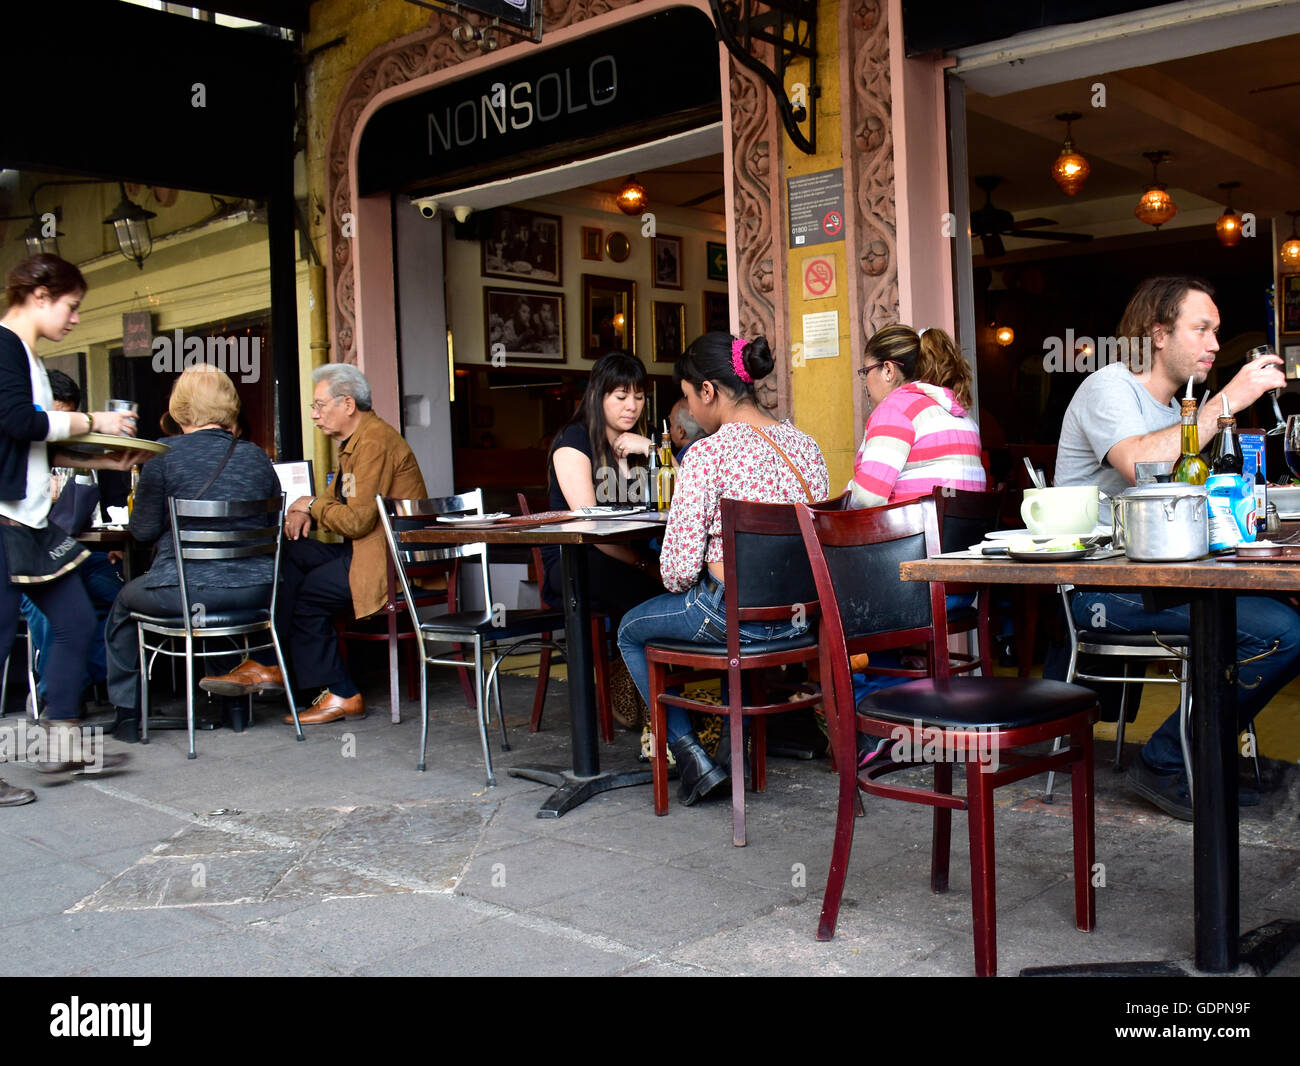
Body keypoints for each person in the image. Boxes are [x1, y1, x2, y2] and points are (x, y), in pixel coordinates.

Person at [1055, 275, 1300, 819]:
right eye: (1203, 329)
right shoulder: (1108, 386)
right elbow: (1143, 464)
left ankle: (1196, 755)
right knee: (1282, 633)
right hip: (1103, 589)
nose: (1216, 344)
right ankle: (1168, 760)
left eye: (1216, 331)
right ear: (1158, 333)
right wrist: (1230, 399)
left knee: (1280, 618)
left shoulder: (1178, 409)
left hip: (1164, 579)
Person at [617, 333, 829, 805]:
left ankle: (690, 755)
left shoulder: (707, 455)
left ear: (707, 391)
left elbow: (675, 572)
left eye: (690, 397)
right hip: (803, 625)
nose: (691, 408)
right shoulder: (807, 447)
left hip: (730, 621)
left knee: (631, 629)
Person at [199, 363, 427, 724]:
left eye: (320, 405)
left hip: (387, 561)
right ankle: (271, 665)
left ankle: (342, 693)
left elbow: (356, 521)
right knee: (289, 552)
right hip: (367, 550)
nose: (314, 415)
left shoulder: (373, 444)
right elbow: (336, 501)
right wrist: (306, 509)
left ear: (348, 404)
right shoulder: (357, 440)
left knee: (308, 595)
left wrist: (311, 505)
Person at [0, 254, 140, 796]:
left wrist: (101, 460)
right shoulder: (4, 347)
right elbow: (16, 422)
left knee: (78, 624)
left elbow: (32, 439)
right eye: (72, 306)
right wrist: (95, 421)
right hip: (8, 519)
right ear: (39, 295)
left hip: (28, 520)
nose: (76, 318)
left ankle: (59, 743)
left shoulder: (27, 357)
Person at [103, 365, 281, 740]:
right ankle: (234, 708)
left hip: (186, 593)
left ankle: (128, 715)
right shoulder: (258, 457)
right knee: (211, 596)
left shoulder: (162, 457)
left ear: (180, 407)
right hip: (257, 592)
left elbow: (144, 531)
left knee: (122, 604)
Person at [21, 369, 123, 713]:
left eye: (65, 420)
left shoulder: (74, 458)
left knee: (121, 600)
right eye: (53, 419)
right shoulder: (17, 453)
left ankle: (103, 686)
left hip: (74, 554)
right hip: (24, 560)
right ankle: (57, 697)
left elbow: (93, 516)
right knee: (51, 613)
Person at [543, 351, 663, 625]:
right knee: (654, 594)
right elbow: (594, 527)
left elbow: (690, 490)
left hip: (632, 555)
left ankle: (652, 663)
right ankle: (639, 665)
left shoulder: (647, 439)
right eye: (621, 397)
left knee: (693, 583)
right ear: (598, 395)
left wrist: (650, 448)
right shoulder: (574, 440)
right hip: (579, 559)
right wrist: (645, 565)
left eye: (639, 397)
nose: (632, 406)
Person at [848, 324, 986, 509]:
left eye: (866, 371)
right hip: (964, 534)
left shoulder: (896, 409)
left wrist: (834, 509)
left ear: (888, 370)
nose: (865, 382)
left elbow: (867, 497)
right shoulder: (960, 415)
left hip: (918, 534)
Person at [668, 397, 706, 461]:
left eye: (671, 425)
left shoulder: (683, 460)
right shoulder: (713, 448)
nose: (670, 430)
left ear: (681, 431)